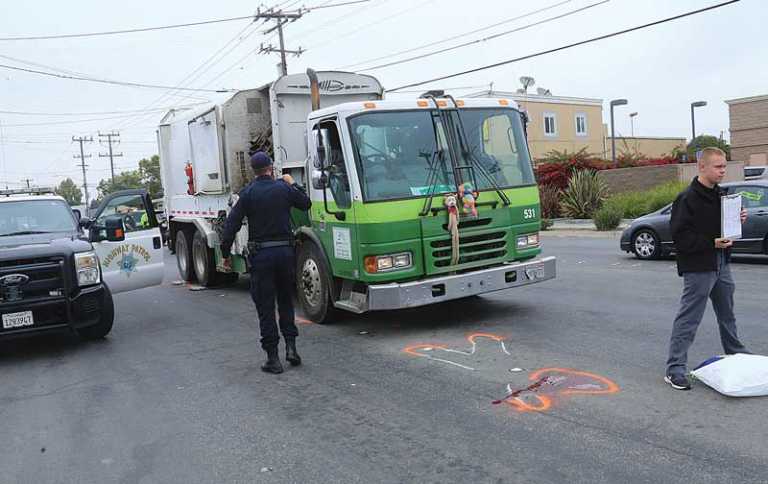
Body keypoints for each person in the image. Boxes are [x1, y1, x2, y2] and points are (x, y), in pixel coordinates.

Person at [665, 147, 749, 390]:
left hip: (722, 263)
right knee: (689, 318)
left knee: (727, 314)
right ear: (702, 167)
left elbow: (722, 226)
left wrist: (737, 219)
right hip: (699, 267)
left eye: (724, 166)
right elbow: (680, 238)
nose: (723, 170)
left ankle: (735, 353)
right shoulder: (687, 198)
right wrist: (711, 243)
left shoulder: (722, 195)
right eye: (718, 167)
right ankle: (675, 369)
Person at [220, 152, 312, 374]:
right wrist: (293, 183)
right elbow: (306, 203)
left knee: (266, 307)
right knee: (286, 303)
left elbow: (231, 225)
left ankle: (273, 358)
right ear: (271, 167)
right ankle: (291, 348)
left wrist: (225, 252)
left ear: (254, 170)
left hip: (261, 257)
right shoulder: (284, 189)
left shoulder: (248, 194)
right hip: (285, 254)